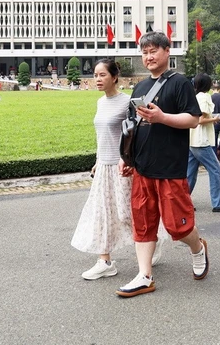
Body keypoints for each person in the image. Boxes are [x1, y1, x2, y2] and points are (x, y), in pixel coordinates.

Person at [116, 31, 207, 298]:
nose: (148, 56)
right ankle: (145, 276)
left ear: (168, 51)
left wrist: (163, 117)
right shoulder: (140, 87)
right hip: (143, 167)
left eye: (153, 51)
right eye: (144, 52)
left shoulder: (180, 83)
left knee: (178, 227)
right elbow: (134, 127)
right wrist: (129, 160)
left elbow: (192, 119)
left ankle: (197, 248)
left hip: (170, 167)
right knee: (142, 224)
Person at [71, 59, 137, 280]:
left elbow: (133, 136)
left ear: (114, 77)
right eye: (95, 75)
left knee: (129, 213)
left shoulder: (128, 102)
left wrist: (128, 161)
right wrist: (98, 160)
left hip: (123, 168)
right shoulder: (100, 103)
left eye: (102, 75)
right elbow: (102, 136)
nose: (97, 79)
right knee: (102, 214)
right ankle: (105, 260)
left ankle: (151, 242)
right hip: (104, 168)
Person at [187, 73, 220, 213]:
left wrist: (212, 117)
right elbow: (200, 120)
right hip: (201, 141)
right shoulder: (204, 97)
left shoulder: (193, 97)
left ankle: (182, 202)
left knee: (190, 173)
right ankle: (218, 203)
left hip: (192, 139)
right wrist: (215, 119)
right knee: (216, 169)